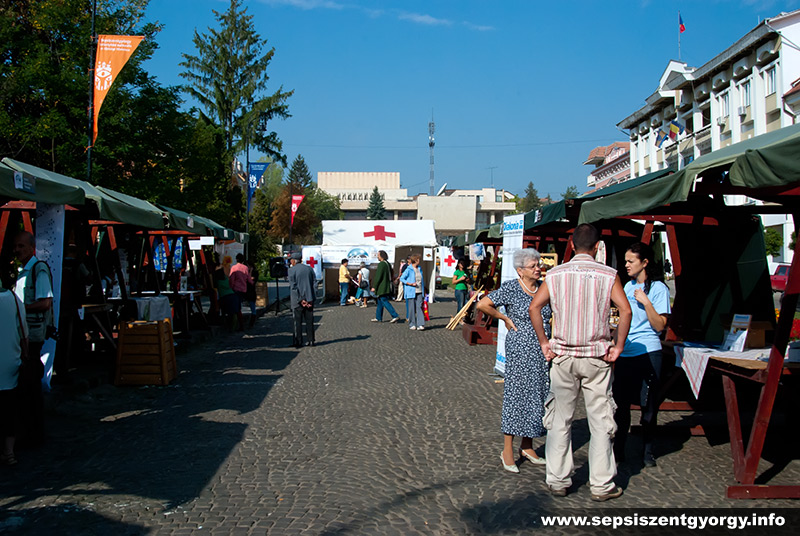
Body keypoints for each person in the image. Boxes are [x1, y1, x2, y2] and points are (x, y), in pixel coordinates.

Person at [529, 223, 632, 501]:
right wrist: (618, 345)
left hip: (564, 355)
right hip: (597, 356)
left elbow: (534, 306)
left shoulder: (556, 274)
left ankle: (558, 479)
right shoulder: (608, 274)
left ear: (572, 245)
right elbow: (625, 309)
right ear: (598, 247)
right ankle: (601, 484)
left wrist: (544, 341)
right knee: (600, 421)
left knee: (560, 419)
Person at [476, 249, 551, 473]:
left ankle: (527, 445)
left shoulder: (544, 289)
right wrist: (504, 317)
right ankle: (508, 449)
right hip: (520, 348)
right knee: (516, 395)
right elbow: (483, 304)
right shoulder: (511, 288)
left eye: (539, 265)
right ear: (520, 271)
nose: (538, 268)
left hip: (541, 348)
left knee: (537, 393)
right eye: (533, 266)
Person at [614, 242, 670, 468]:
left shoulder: (659, 289)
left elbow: (660, 326)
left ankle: (648, 451)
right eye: (625, 261)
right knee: (621, 404)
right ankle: (619, 449)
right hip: (626, 352)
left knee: (648, 406)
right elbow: (621, 321)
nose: (626, 265)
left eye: (630, 261)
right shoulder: (627, 287)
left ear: (644, 262)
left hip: (649, 351)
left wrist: (646, 303)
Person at [13, 231, 52, 447]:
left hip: (33, 333)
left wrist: (18, 309)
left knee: (30, 383)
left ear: (31, 247)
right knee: (25, 383)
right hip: (22, 332)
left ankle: (34, 433)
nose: (17, 250)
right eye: (15, 246)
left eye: (21, 246)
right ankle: (27, 429)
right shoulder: (21, 271)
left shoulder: (39, 270)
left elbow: (45, 302)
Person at [1, 286, 27, 465]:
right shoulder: (13, 298)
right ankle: (9, 452)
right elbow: (24, 334)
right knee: (9, 408)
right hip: (9, 363)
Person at [288, 252, 316, 348]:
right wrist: (310, 298)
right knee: (309, 321)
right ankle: (311, 340)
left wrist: (301, 299)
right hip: (310, 299)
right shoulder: (309, 269)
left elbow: (294, 286)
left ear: (293, 260)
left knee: (297, 322)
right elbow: (314, 284)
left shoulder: (292, 270)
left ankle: (298, 341)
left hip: (297, 301)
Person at [371, 250, 400, 323]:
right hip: (387, 285)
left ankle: (395, 315)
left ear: (381, 256)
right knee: (380, 301)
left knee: (384, 300)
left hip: (382, 287)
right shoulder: (388, 264)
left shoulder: (381, 264)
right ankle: (378, 317)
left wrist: (374, 286)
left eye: (378, 255)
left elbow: (378, 276)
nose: (377, 256)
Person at [400, 254, 426, 330]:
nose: (419, 261)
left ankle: (421, 324)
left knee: (419, 307)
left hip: (419, 290)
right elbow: (402, 278)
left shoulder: (420, 268)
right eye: (418, 259)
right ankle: (412, 323)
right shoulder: (409, 269)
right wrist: (410, 284)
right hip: (411, 291)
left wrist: (424, 289)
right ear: (415, 260)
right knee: (411, 308)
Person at [229, 254, 253, 327]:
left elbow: (231, 279)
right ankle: (240, 324)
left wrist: (231, 287)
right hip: (243, 289)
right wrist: (252, 283)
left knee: (236, 307)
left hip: (235, 289)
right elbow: (249, 279)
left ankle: (239, 324)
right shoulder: (245, 268)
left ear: (236, 259)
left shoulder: (234, 268)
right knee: (238, 306)